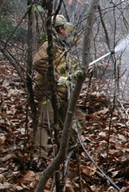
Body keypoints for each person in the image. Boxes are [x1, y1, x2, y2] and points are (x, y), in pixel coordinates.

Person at [33, 14, 88, 161]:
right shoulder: (49, 46)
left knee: (78, 119)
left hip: (64, 95)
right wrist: (57, 78)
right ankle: (40, 158)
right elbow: (38, 62)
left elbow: (67, 71)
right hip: (50, 93)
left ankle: (69, 150)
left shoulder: (62, 47)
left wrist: (80, 73)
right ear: (61, 29)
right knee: (45, 123)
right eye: (66, 28)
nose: (68, 31)